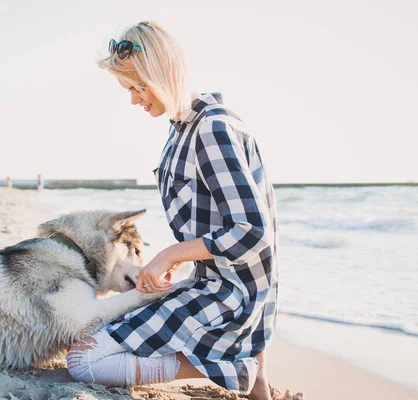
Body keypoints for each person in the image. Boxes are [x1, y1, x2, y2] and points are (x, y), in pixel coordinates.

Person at [67, 22, 279, 400]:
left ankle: (236, 365)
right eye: (128, 90)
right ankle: (247, 371)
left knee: (84, 361)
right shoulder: (182, 127)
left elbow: (251, 231)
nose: (134, 100)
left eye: (137, 87)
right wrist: (177, 261)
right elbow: (213, 218)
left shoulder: (213, 128)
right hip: (208, 280)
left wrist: (169, 253)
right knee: (86, 346)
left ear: (163, 73)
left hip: (230, 294)